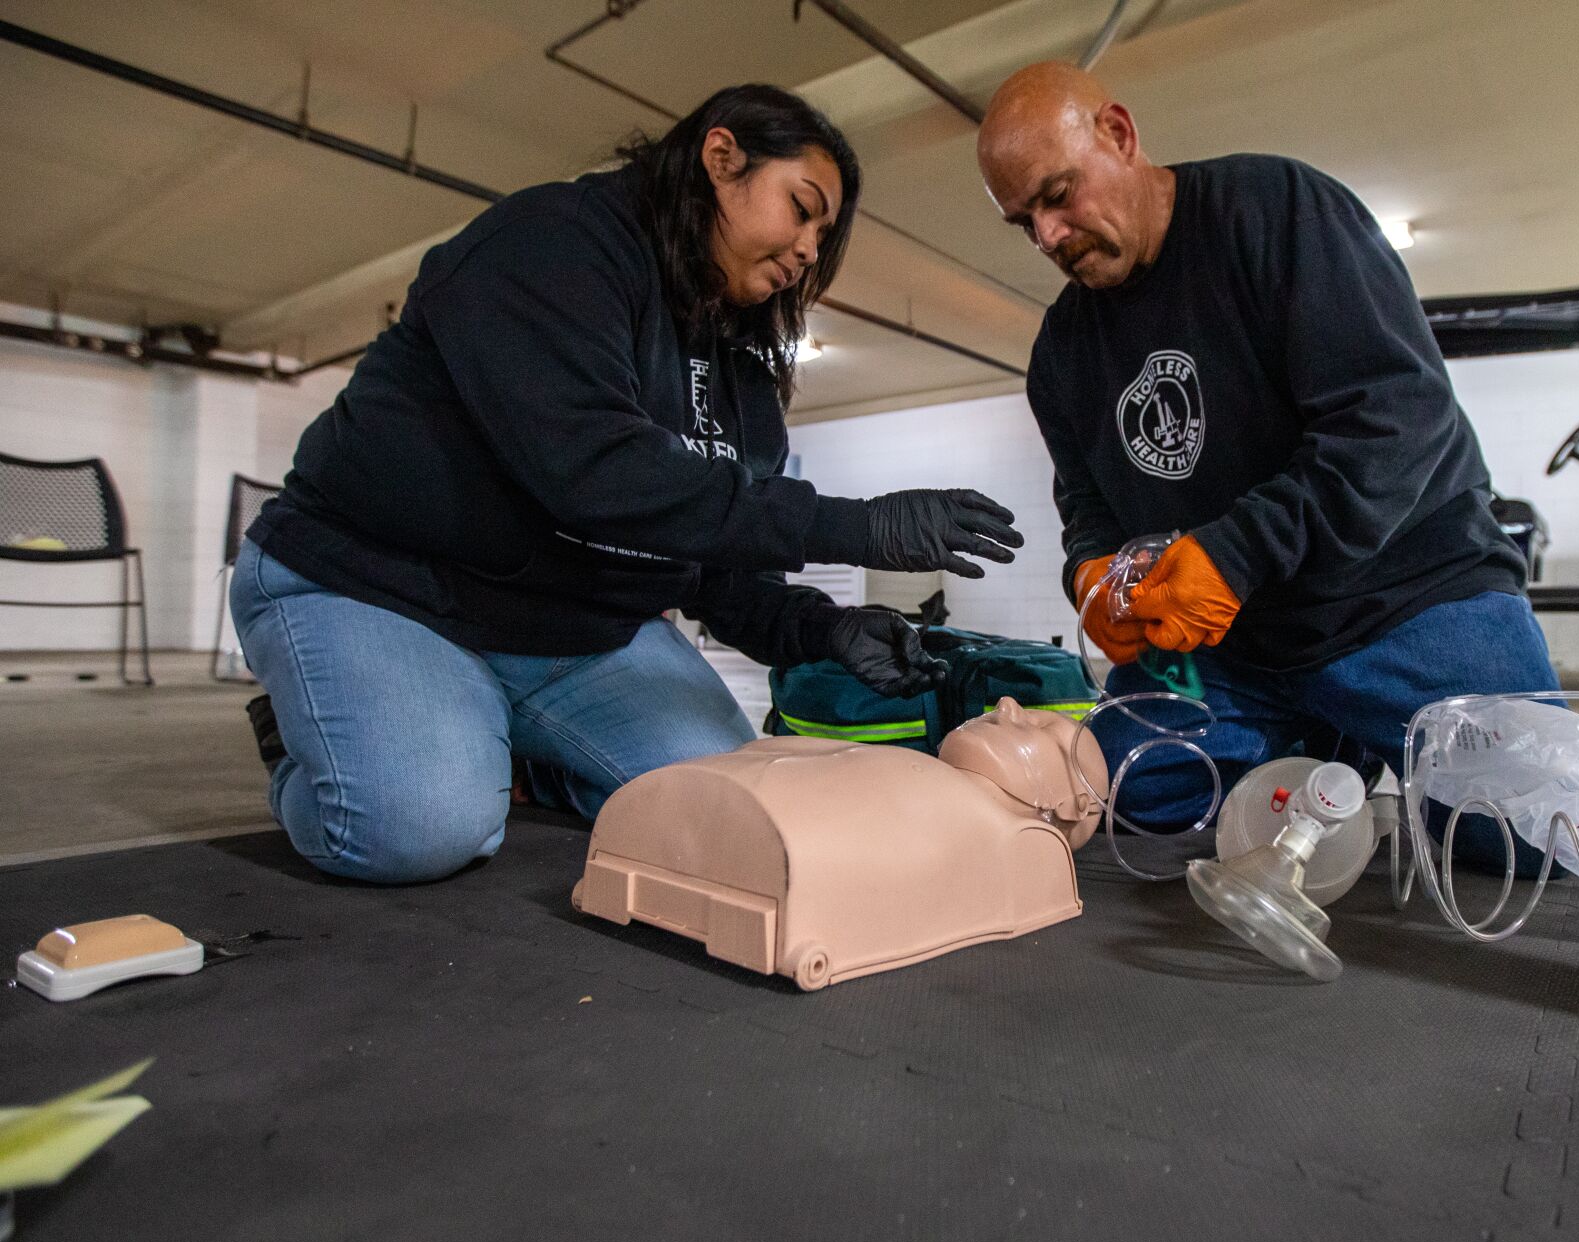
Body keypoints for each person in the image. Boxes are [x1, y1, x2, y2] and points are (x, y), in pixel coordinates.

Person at [236, 84, 1023, 885]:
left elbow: (714, 567)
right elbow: (592, 471)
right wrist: (852, 526)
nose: (811, 249)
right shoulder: (553, 247)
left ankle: (517, 753)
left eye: (825, 234)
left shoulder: (742, 377)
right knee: (416, 827)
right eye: (803, 207)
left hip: (575, 629)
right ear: (722, 159)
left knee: (729, 801)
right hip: (380, 588)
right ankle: (318, 751)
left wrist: (828, 630)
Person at [975, 63, 1558, 856]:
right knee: (1120, 796)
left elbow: (1395, 417)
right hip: (1232, 652)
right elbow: (1087, 503)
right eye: (1024, 221)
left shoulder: (1278, 213)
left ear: (1119, 134)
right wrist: (1092, 569)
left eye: (1058, 194)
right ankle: (1325, 743)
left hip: (1406, 600)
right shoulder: (1060, 356)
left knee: (1530, 841)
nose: (1047, 236)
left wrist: (1237, 552)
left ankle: (1339, 737)